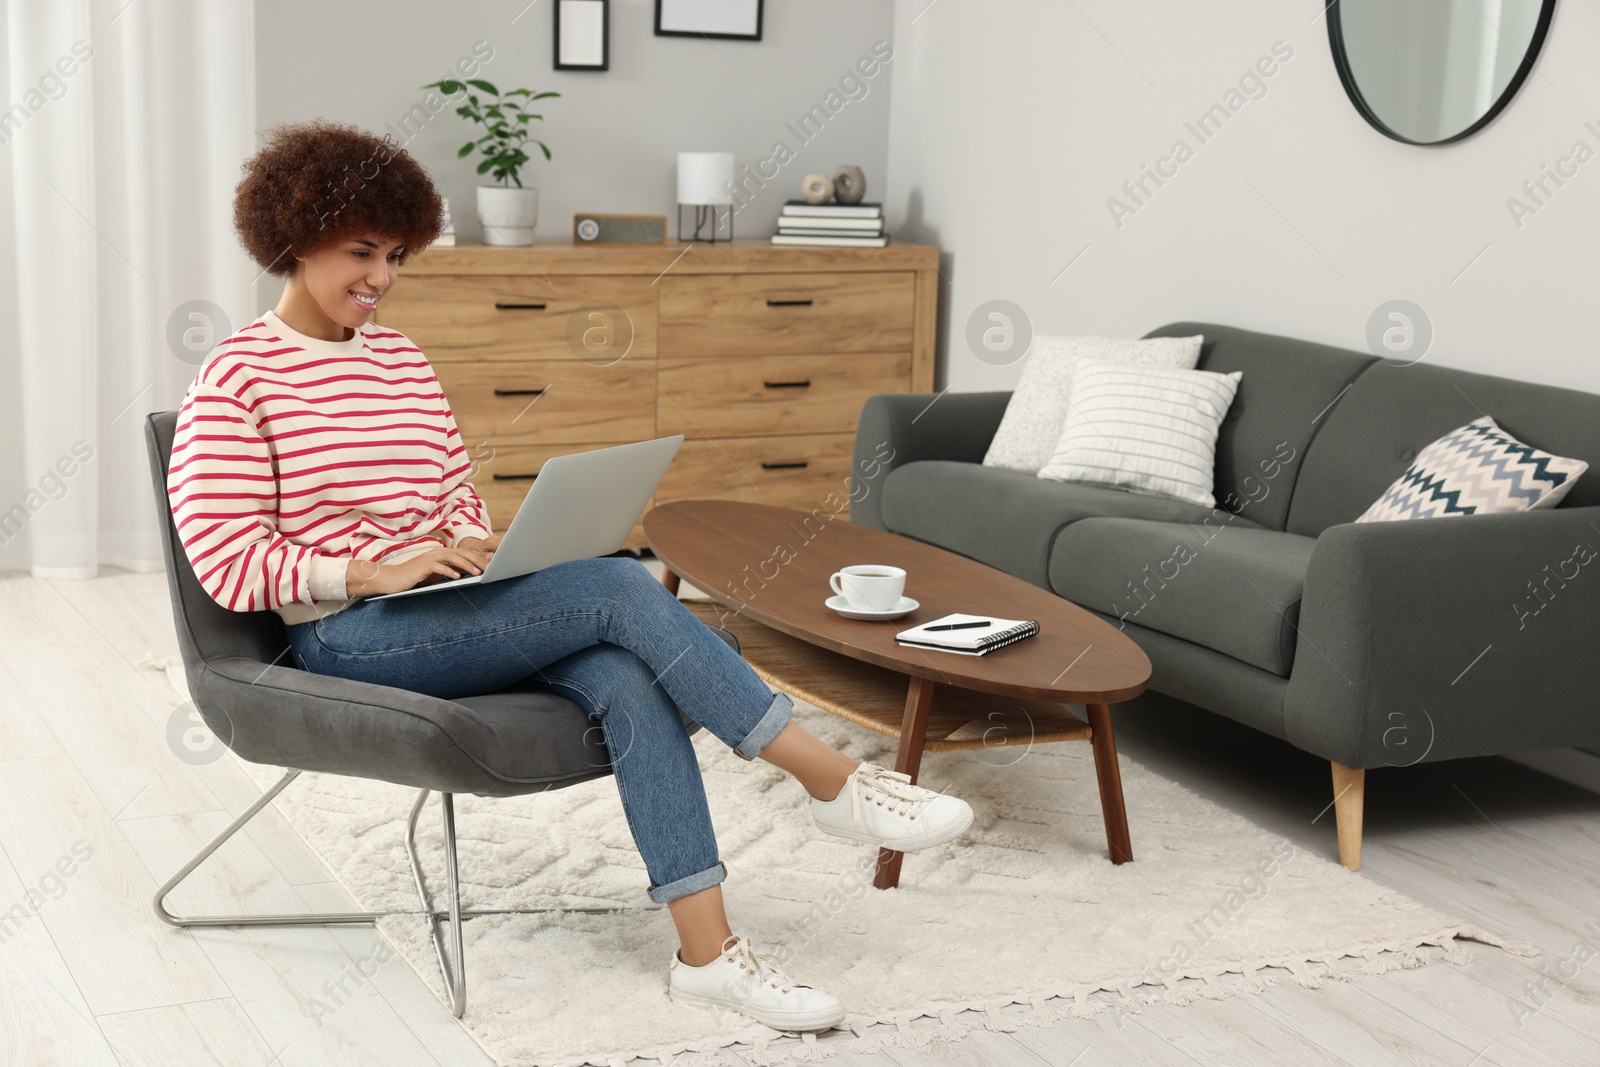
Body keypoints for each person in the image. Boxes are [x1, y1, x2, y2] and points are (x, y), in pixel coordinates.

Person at [166, 120, 975, 1033]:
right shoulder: (236, 377)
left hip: (442, 612)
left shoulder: (399, 360)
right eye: (361, 251)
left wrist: (470, 550)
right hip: (345, 635)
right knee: (618, 584)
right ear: (293, 234)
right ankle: (831, 781)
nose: (382, 279)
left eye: (395, 254)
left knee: (627, 674)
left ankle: (707, 957)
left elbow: (455, 496)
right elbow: (226, 558)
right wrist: (371, 569)